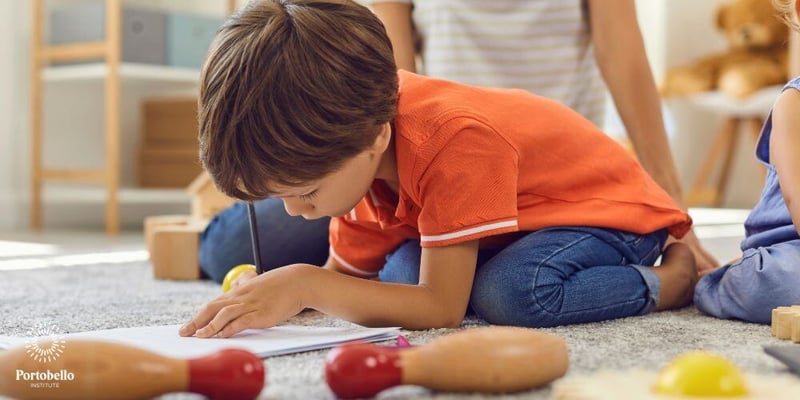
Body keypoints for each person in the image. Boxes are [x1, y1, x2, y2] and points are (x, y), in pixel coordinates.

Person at [180, 0, 696, 337]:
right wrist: (275, 295)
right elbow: (343, 278)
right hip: (515, 224)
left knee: (511, 294)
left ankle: (667, 282)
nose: (296, 212)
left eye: (308, 193)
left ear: (376, 138)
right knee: (398, 274)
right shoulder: (355, 149)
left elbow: (441, 310)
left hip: (606, 216)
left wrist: (305, 284)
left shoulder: (452, 140)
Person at [693, 0, 800, 325]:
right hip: (788, 243)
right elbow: (796, 198)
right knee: (782, 283)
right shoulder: (794, 103)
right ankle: (716, 283)